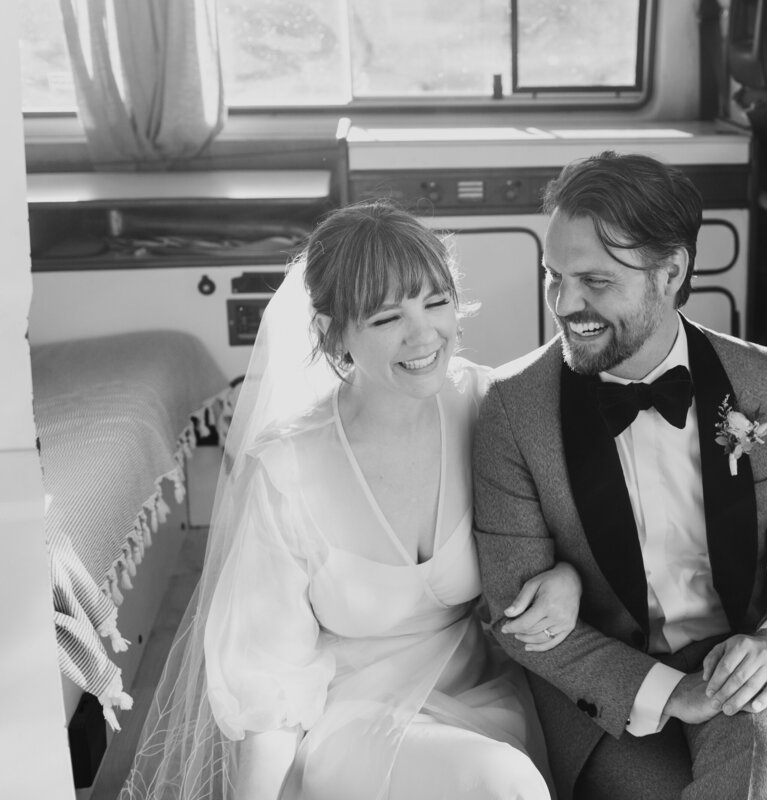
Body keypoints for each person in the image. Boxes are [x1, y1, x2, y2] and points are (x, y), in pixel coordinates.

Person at [121, 200, 582, 800]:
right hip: (352, 717)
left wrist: (568, 575)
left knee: (500, 771)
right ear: (334, 333)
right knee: (503, 781)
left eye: (437, 302)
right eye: (388, 316)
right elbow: (269, 680)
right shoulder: (288, 468)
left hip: (489, 692)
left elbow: (575, 533)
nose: (424, 335)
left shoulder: (489, 405)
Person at [472, 151, 767, 800]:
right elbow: (515, 619)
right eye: (553, 276)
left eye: (595, 281)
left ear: (670, 273)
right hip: (604, 689)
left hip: (736, 661)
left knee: (761, 765)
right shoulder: (513, 409)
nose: (565, 304)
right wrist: (673, 693)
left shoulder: (763, 382)